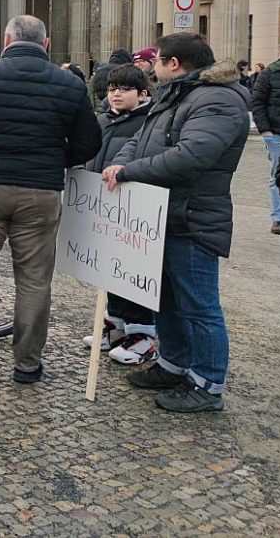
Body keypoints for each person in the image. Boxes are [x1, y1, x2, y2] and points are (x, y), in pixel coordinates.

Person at [0, 15, 100, 384]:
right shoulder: (69, 83)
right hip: (41, 189)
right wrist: (56, 162)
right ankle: (27, 363)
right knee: (33, 279)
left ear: (7, 38)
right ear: (46, 44)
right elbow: (89, 142)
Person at [102, 33, 249, 412]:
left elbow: (191, 156)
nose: (151, 67)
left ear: (175, 64)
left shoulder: (216, 98)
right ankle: (173, 363)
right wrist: (120, 162)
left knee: (199, 305)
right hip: (162, 213)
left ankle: (207, 382)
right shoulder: (177, 94)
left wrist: (132, 170)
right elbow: (141, 138)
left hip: (192, 215)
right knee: (164, 297)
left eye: (157, 61)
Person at [82, 64, 157, 364]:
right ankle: (116, 322)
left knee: (132, 271)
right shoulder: (102, 119)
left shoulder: (146, 122)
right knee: (109, 269)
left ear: (141, 94)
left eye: (124, 89)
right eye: (113, 89)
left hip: (131, 208)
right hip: (103, 203)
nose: (116, 94)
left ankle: (142, 331)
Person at [248, 40, 280, 235]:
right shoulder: (270, 74)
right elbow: (257, 102)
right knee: (278, 176)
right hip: (277, 135)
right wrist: (265, 131)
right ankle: (279, 218)